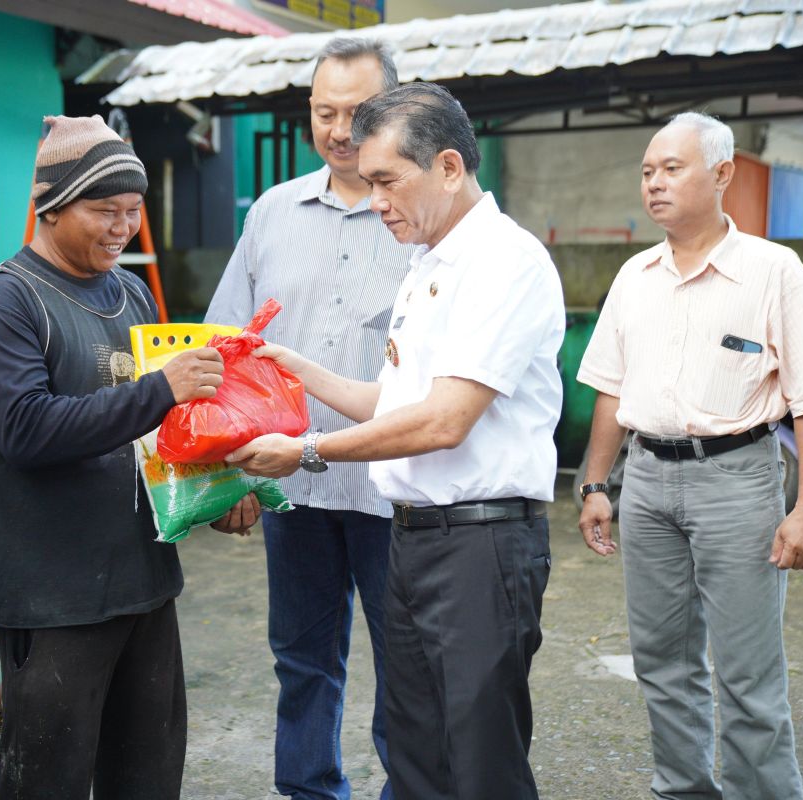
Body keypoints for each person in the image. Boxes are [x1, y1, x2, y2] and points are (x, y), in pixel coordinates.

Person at [228, 83, 564, 800]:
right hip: (413, 539)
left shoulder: (505, 262)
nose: (374, 199)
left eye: (386, 180)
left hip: (480, 546)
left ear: (447, 167)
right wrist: (298, 369)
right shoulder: (426, 265)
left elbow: (444, 421)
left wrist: (308, 452)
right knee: (416, 755)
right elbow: (395, 402)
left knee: (478, 761)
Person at [0, 114, 238, 800]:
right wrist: (158, 390)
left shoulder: (131, 294)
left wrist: (223, 486)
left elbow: (162, 431)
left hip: (145, 584)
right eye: (104, 210)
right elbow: (26, 429)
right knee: (45, 782)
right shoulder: (8, 303)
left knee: (146, 778)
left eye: (133, 212)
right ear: (51, 206)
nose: (121, 228)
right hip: (57, 601)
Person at [576, 112, 803, 800]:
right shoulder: (636, 276)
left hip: (738, 482)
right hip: (649, 482)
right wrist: (596, 484)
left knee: (748, 675)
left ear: (722, 174)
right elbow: (609, 388)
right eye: (647, 171)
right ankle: (684, 791)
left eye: (672, 168)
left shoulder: (773, 271)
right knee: (662, 663)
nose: (655, 183)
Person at [205, 37, 410, 800]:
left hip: (394, 492)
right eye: (325, 111)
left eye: (358, 112)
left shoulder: (421, 223)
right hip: (291, 488)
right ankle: (309, 791)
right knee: (301, 660)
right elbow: (228, 347)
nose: (340, 129)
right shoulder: (272, 213)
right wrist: (231, 480)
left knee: (407, 668)